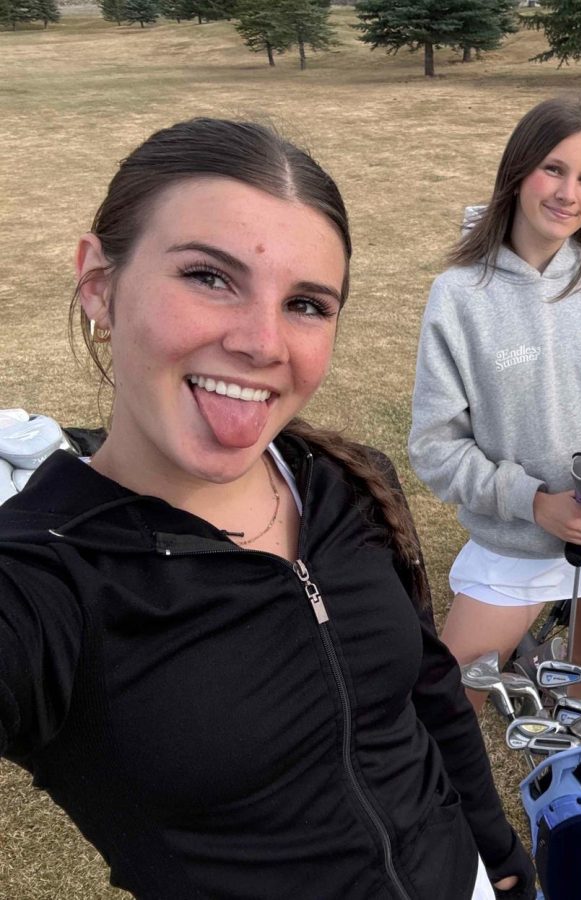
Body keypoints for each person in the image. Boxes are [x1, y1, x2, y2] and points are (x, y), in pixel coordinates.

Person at [0, 118, 534, 900]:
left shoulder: (346, 482)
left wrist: (497, 849)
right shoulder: (46, 582)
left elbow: (427, 690)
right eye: (209, 277)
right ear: (99, 286)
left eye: (306, 304)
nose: (263, 343)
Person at [408, 97, 581, 708]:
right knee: (448, 702)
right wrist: (534, 503)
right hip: (515, 540)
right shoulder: (459, 295)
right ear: (517, 172)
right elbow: (435, 446)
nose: (568, 193)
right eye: (553, 169)